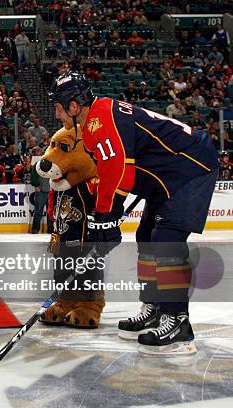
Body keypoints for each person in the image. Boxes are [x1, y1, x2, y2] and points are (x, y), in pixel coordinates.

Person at [48, 72, 218, 356]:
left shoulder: (100, 121)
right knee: (146, 237)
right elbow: (108, 173)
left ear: (74, 106)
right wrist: (104, 216)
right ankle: (154, 307)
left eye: (58, 107)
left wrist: (106, 216)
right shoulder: (97, 120)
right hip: (168, 173)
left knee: (165, 240)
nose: (57, 114)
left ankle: (177, 322)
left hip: (190, 168)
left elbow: (118, 172)